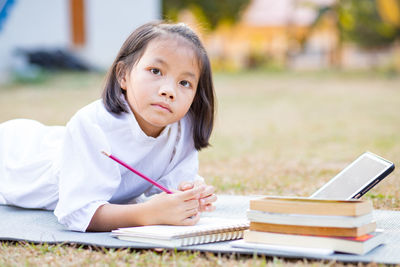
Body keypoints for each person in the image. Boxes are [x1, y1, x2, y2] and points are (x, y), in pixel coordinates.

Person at [0, 21, 217, 232]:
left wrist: (189, 197)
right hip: (15, 159)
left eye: (185, 83)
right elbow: (77, 212)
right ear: (123, 75)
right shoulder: (91, 125)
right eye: (155, 71)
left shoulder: (183, 129)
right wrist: (149, 213)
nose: (168, 90)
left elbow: (171, 189)